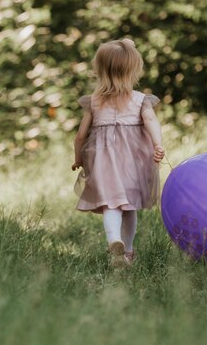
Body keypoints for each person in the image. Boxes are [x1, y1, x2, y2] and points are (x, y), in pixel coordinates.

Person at [71, 38, 165, 268]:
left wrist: (78, 158)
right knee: (129, 206)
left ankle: (114, 240)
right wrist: (157, 144)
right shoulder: (141, 100)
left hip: (103, 161)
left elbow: (80, 136)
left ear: (101, 70)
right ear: (134, 69)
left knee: (110, 204)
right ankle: (129, 251)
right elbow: (151, 120)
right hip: (133, 162)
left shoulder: (94, 101)